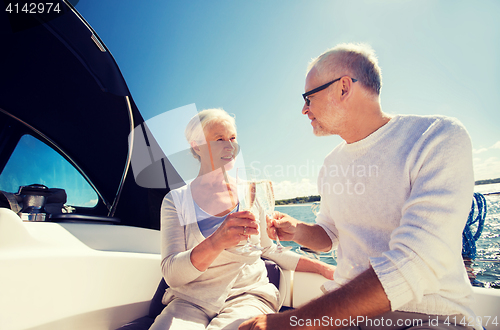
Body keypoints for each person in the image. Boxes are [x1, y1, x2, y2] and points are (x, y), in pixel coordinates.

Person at [239, 43, 479, 330]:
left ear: (342, 88)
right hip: (346, 319)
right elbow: (331, 235)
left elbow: (414, 263)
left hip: (427, 316)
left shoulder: (436, 137)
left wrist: (286, 323)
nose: (304, 109)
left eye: (308, 98)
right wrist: (298, 231)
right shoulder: (330, 164)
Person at [149, 108, 336, 330]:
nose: (230, 147)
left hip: (248, 296)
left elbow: (269, 249)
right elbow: (172, 274)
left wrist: (322, 268)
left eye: (233, 138)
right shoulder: (175, 200)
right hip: (190, 301)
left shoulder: (250, 193)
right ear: (196, 146)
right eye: (219, 139)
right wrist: (216, 240)